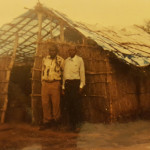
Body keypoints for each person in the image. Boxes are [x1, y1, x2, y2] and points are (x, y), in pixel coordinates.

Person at [40, 43, 64, 130]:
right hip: (45, 83)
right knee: (45, 103)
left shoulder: (60, 60)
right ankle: (47, 122)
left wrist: (62, 85)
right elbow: (42, 71)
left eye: (53, 50)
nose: (51, 52)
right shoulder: (45, 59)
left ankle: (56, 122)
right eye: (50, 50)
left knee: (55, 103)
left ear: (56, 51)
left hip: (55, 83)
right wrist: (42, 81)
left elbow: (64, 73)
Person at [62, 45, 85, 131]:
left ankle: (77, 125)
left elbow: (82, 73)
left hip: (75, 84)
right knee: (69, 105)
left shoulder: (79, 60)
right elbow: (64, 75)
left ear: (75, 51)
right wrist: (63, 87)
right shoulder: (66, 61)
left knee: (76, 105)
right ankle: (70, 125)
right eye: (70, 50)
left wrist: (81, 86)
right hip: (68, 84)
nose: (71, 52)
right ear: (68, 51)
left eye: (73, 50)